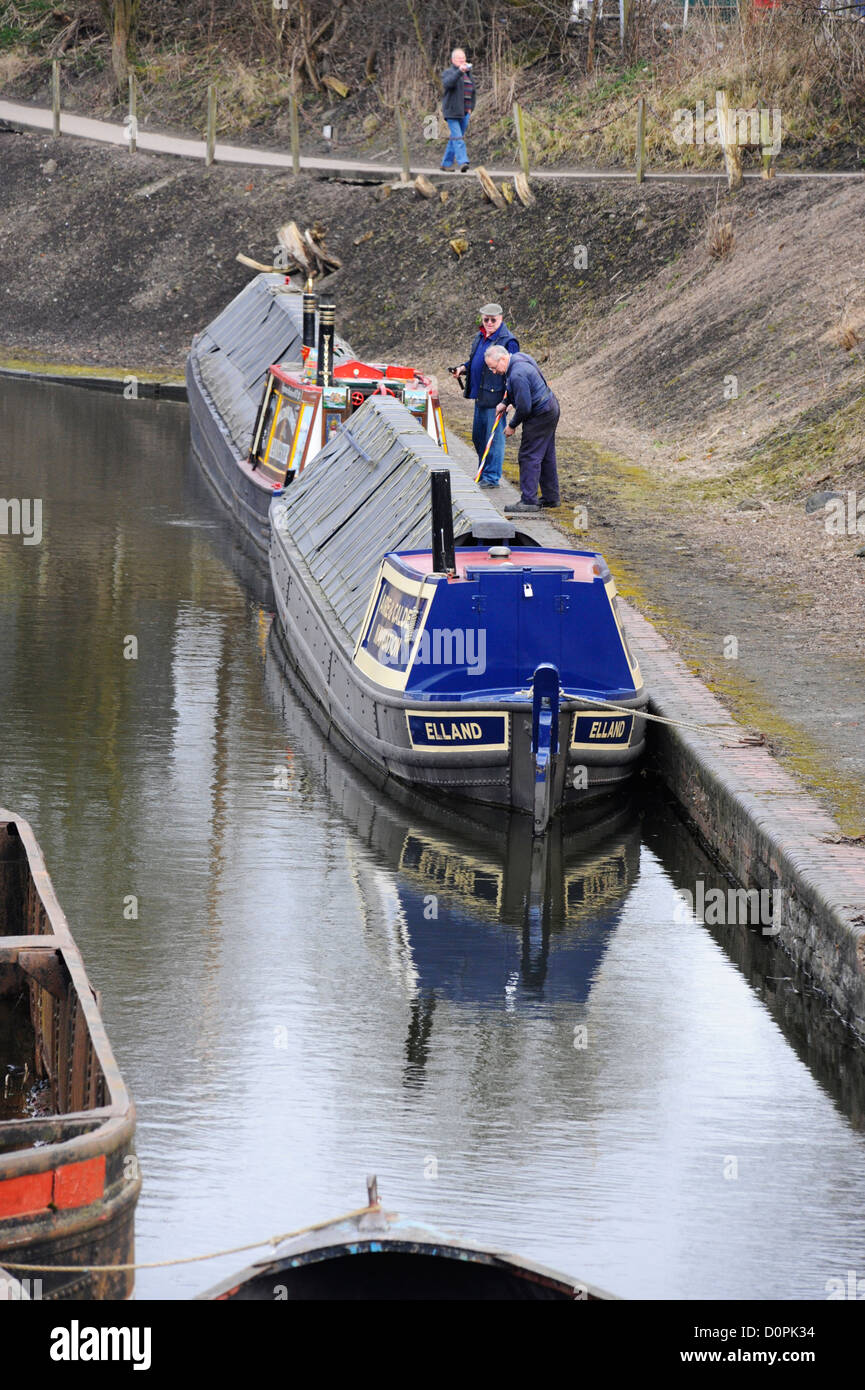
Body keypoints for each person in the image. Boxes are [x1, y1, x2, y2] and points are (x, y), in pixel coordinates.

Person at [484, 344, 560, 512]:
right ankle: (551, 497)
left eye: (494, 368)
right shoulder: (519, 358)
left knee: (528, 455)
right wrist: (505, 402)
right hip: (550, 406)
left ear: (503, 359)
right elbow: (519, 390)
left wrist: (512, 425)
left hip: (540, 412)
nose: (494, 372)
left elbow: (524, 407)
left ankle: (529, 501)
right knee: (546, 454)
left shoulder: (517, 373)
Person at [457, 303, 519, 487]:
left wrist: (509, 399)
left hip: (497, 398)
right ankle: (483, 473)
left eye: (493, 320)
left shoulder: (509, 341)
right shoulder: (480, 336)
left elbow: (512, 370)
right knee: (478, 437)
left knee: (494, 439)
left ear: (501, 319)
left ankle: (491, 478)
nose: (489, 323)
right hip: (480, 395)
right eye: (486, 320)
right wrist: (463, 368)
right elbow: (475, 361)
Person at [440, 48, 476, 172]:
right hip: (452, 112)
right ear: (453, 60)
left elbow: (473, 92)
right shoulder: (449, 72)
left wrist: (471, 107)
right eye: (459, 58)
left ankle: (446, 164)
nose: (462, 60)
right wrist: (459, 72)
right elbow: (448, 84)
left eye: (463, 58)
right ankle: (463, 162)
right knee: (458, 138)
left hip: (465, 112)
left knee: (455, 138)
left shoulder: (468, 74)